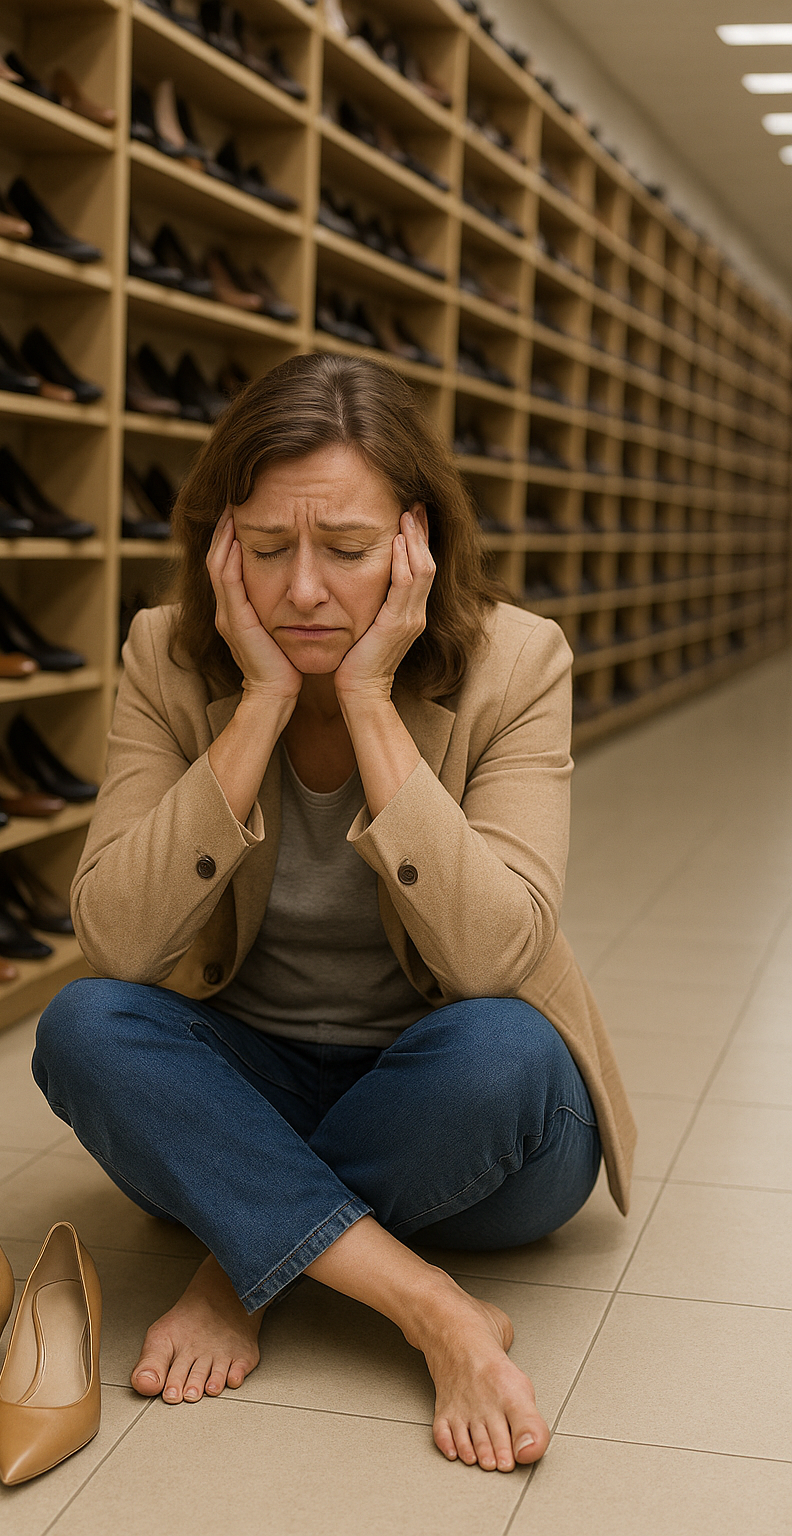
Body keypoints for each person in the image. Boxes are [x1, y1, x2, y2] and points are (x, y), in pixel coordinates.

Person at [33, 352, 636, 1474]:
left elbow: (500, 950)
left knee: (503, 1050)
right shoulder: (167, 654)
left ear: (416, 545)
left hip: (468, 1114)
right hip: (257, 1065)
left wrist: (366, 701)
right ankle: (429, 1306)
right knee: (84, 1027)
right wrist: (259, 703)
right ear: (222, 548)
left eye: (347, 552)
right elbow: (113, 935)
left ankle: (239, 1260)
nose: (303, 590)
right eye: (266, 551)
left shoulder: (517, 661)